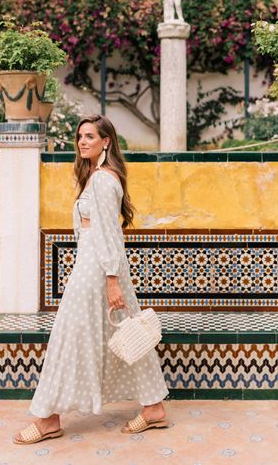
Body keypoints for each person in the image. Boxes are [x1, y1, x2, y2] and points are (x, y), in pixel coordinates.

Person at [13, 114, 169, 445]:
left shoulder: (101, 180)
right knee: (125, 332)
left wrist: (112, 279)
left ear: (106, 141)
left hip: (99, 269)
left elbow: (109, 233)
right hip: (95, 265)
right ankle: (153, 407)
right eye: (80, 136)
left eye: (90, 136)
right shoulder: (96, 176)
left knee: (68, 337)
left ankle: (48, 418)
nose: (83, 141)